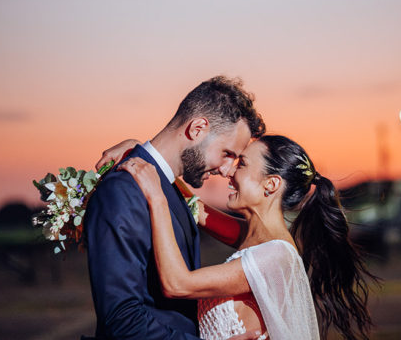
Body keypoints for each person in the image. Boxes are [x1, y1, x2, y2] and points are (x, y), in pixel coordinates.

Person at [116, 135, 378, 340]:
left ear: (271, 184)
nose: (228, 172)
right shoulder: (254, 238)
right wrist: (145, 154)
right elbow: (194, 206)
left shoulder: (274, 257)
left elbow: (177, 284)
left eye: (242, 164)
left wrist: (156, 197)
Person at [84, 76, 265, 340]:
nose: (227, 170)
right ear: (198, 129)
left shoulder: (166, 189)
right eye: (227, 153)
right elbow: (121, 321)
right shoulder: (123, 190)